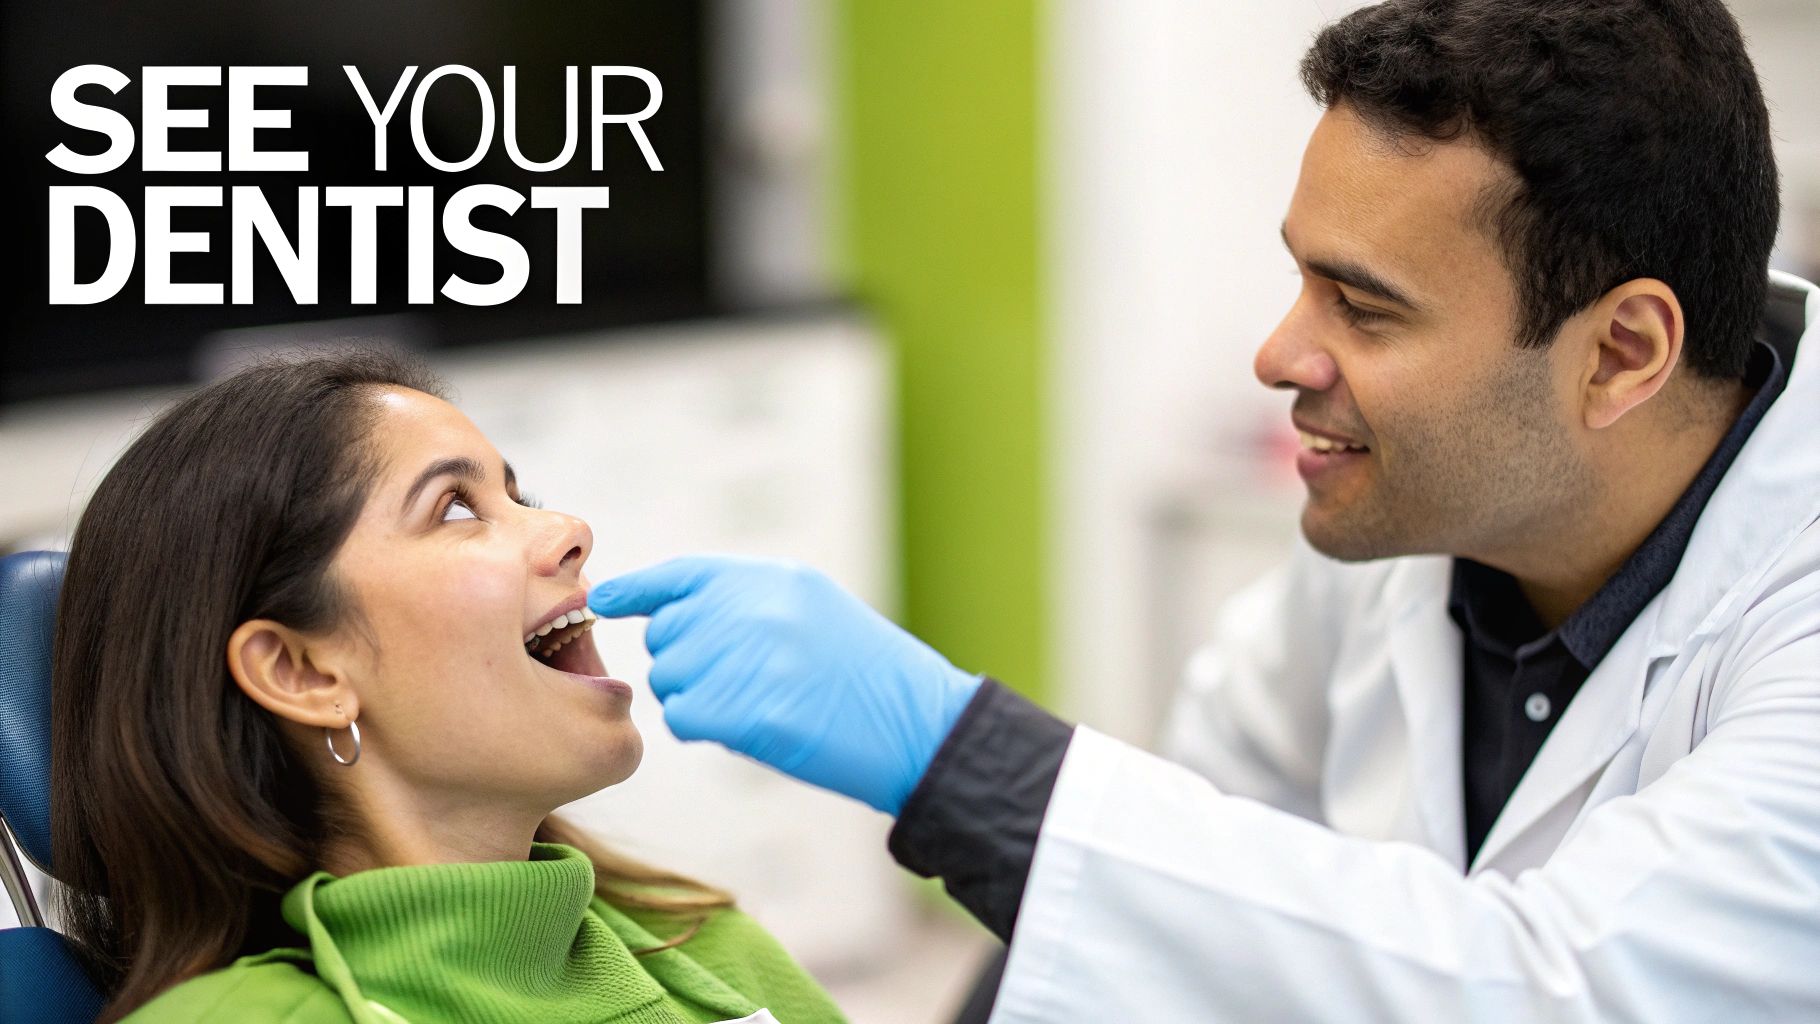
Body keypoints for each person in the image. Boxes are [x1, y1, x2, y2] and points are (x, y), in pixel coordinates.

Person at [587, 0, 1820, 1019]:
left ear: (1619, 353)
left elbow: (1557, 989)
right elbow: (1180, 895)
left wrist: (956, 755)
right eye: (1300, 278)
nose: (1280, 355)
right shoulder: (1393, 536)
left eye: (1365, 307)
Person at [50, 351, 847, 1024]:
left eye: (519, 497)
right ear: (303, 672)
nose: (569, 528)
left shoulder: (701, 942)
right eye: (457, 509)